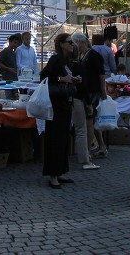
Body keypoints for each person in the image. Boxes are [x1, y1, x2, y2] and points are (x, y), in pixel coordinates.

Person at [40, 33, 81, 189]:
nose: (72, 45)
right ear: (62, 44)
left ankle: (61, 171)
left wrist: (74, 79)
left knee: (63, 138)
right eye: (69, 42)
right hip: (56, 104)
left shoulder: (66, 61)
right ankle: (53, 175)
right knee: (55, 139)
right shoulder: (55, 59)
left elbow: (64, 77)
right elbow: (44, 76)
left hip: (65, 102)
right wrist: (61, 79)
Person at [72, 31, 107, 164]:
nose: (74, 46)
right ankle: (101, 147)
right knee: (91, 121)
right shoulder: (82, 55)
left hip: (92, 91)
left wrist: (103, 91)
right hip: (87, 90)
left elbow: (101, 74)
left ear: (80, 42)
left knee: (89, 121)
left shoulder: (92, 55)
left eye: (75, 43)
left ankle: (86, 151)